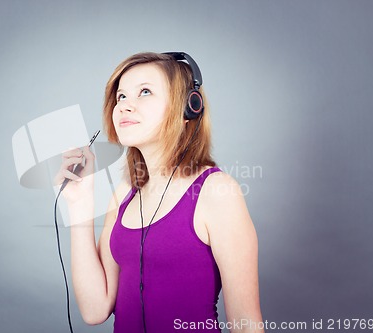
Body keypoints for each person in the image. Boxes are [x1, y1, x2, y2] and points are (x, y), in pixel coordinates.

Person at [54, 52, 263, 332]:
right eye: (121, 97)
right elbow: (95, 310)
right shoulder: (125, 194)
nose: (125, 106)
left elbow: (247, 326)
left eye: (145, 92)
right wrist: (79, 206)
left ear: (189, 108)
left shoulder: (216, 191)